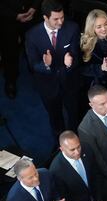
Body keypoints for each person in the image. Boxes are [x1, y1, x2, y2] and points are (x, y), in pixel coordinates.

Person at [24, 0, 81, 136]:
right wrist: (46, 65)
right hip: (48, 85)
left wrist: (70, 62)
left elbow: (77, 55)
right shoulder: (32, 35)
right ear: (45, 17)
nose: (60, 22)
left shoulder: (72, 28)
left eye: (62, 17)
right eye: (56, 19)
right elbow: (33, 64)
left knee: (75, 115)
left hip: (70, 82)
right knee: (55, 118)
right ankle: (60, 144)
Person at [49, 131, 102, 201]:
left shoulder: (86, 148)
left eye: (78, 147)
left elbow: (96, 176)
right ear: (62, 149)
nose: (77, 152)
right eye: (72, 150)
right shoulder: (56, 170)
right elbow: (65, 199)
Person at [79, 9, 107, 103]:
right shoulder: (85, 43)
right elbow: (82, 69)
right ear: (92, 28)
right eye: (99, 27)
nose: (104, 29)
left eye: (106, 24)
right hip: (97, 86)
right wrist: (100, 68)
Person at [0, 0, 37, 99]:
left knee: (34, 46)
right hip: (7, 20)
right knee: (9, 50)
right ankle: (10, 80)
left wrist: (34, 7)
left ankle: (37, 71)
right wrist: (15, 16)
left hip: (31, 15)